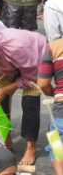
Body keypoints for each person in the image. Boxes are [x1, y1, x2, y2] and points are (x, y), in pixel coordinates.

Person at [0, 29, 47, 165]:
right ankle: (5, 137)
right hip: (7, 64)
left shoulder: (18, 48)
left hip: (33, 60)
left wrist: (5, 90)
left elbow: (28, 78)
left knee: (30, 102)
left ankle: (31, 148)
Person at [37, 39, 63, 175]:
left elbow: (42, 84)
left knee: (56, 142)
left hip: (61, 107)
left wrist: (56, 94)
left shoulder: (54, 47)